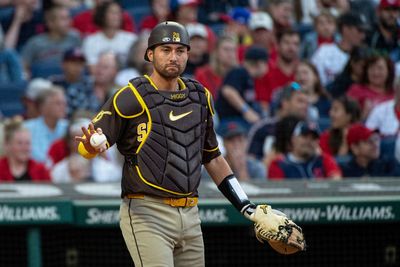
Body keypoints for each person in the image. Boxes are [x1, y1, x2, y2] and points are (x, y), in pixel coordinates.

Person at [75, 21, 304, 266]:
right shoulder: (131, 95)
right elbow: (89, 144)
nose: (173, 56)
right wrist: (90, 146)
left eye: (180, 50)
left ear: (188, 55)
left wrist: (246, 206)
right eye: (166, 50)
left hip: (191, 214)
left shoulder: (199, 96)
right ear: (150, 54)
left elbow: (213, 158)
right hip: (147, 211)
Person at [268, 116, 342, 180]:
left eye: (313, 138)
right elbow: (278, 192)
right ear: (293, 139)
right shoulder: (279, 164)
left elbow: (336, 183)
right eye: (304, 136)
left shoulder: (324, 160)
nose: (308, 141)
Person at [0, 117, 50, 182]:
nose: (25, 148)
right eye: (20, 143)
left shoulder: (41, 170)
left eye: (28, 143)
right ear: (7, 145)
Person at [319, 96, 361, 162]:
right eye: (331, 109)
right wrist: (344, 141)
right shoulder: (326, 136)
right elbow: (329, 162)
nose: (331, 113)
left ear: (349, 116)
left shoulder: (362, 135)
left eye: (335, 110)